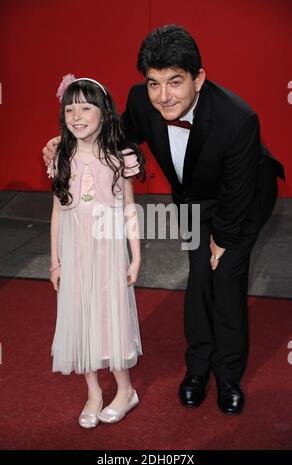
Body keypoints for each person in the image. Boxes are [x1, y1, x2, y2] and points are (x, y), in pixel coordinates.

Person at [43, 25, 284, 415]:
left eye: (175, 82)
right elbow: (114, 136)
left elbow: (237, 192)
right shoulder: (141, 101)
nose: (163, 96)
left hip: (242, 200)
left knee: (224, 279)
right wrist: (63, 144)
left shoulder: (238, 119)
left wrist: (221, 240)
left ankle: (227, 376)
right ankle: (197, 369)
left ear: (198, 78)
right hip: (192, 200)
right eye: (154, 83)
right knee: (198, 277)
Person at [48, 74, 145, 428]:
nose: (77, 115)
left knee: (110, 315)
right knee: (80, 316)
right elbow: (59, 209)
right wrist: (55, 260)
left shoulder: (120, 158)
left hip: (107, 253)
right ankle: (93, 392)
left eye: (85, 107)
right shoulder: (61, 154)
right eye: (70, 108)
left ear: (103, 112)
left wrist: (136, 255)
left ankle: (125, 390)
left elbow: (129, 209)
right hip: (74, 253)